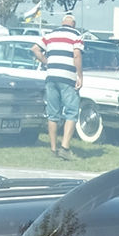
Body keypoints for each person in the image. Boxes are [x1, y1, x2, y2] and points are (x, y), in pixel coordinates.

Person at [33, 13, 85, 159]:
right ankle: (65, 147)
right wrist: (80, 75)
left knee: (53, 114)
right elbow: (77, 55)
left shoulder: (51, 34)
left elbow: (35, 49)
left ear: (63, 22)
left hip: (51, 76)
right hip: (68, 77)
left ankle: (53, 148)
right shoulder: (76, 35)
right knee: (72, 112)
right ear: (73, 24)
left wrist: (46, 61)